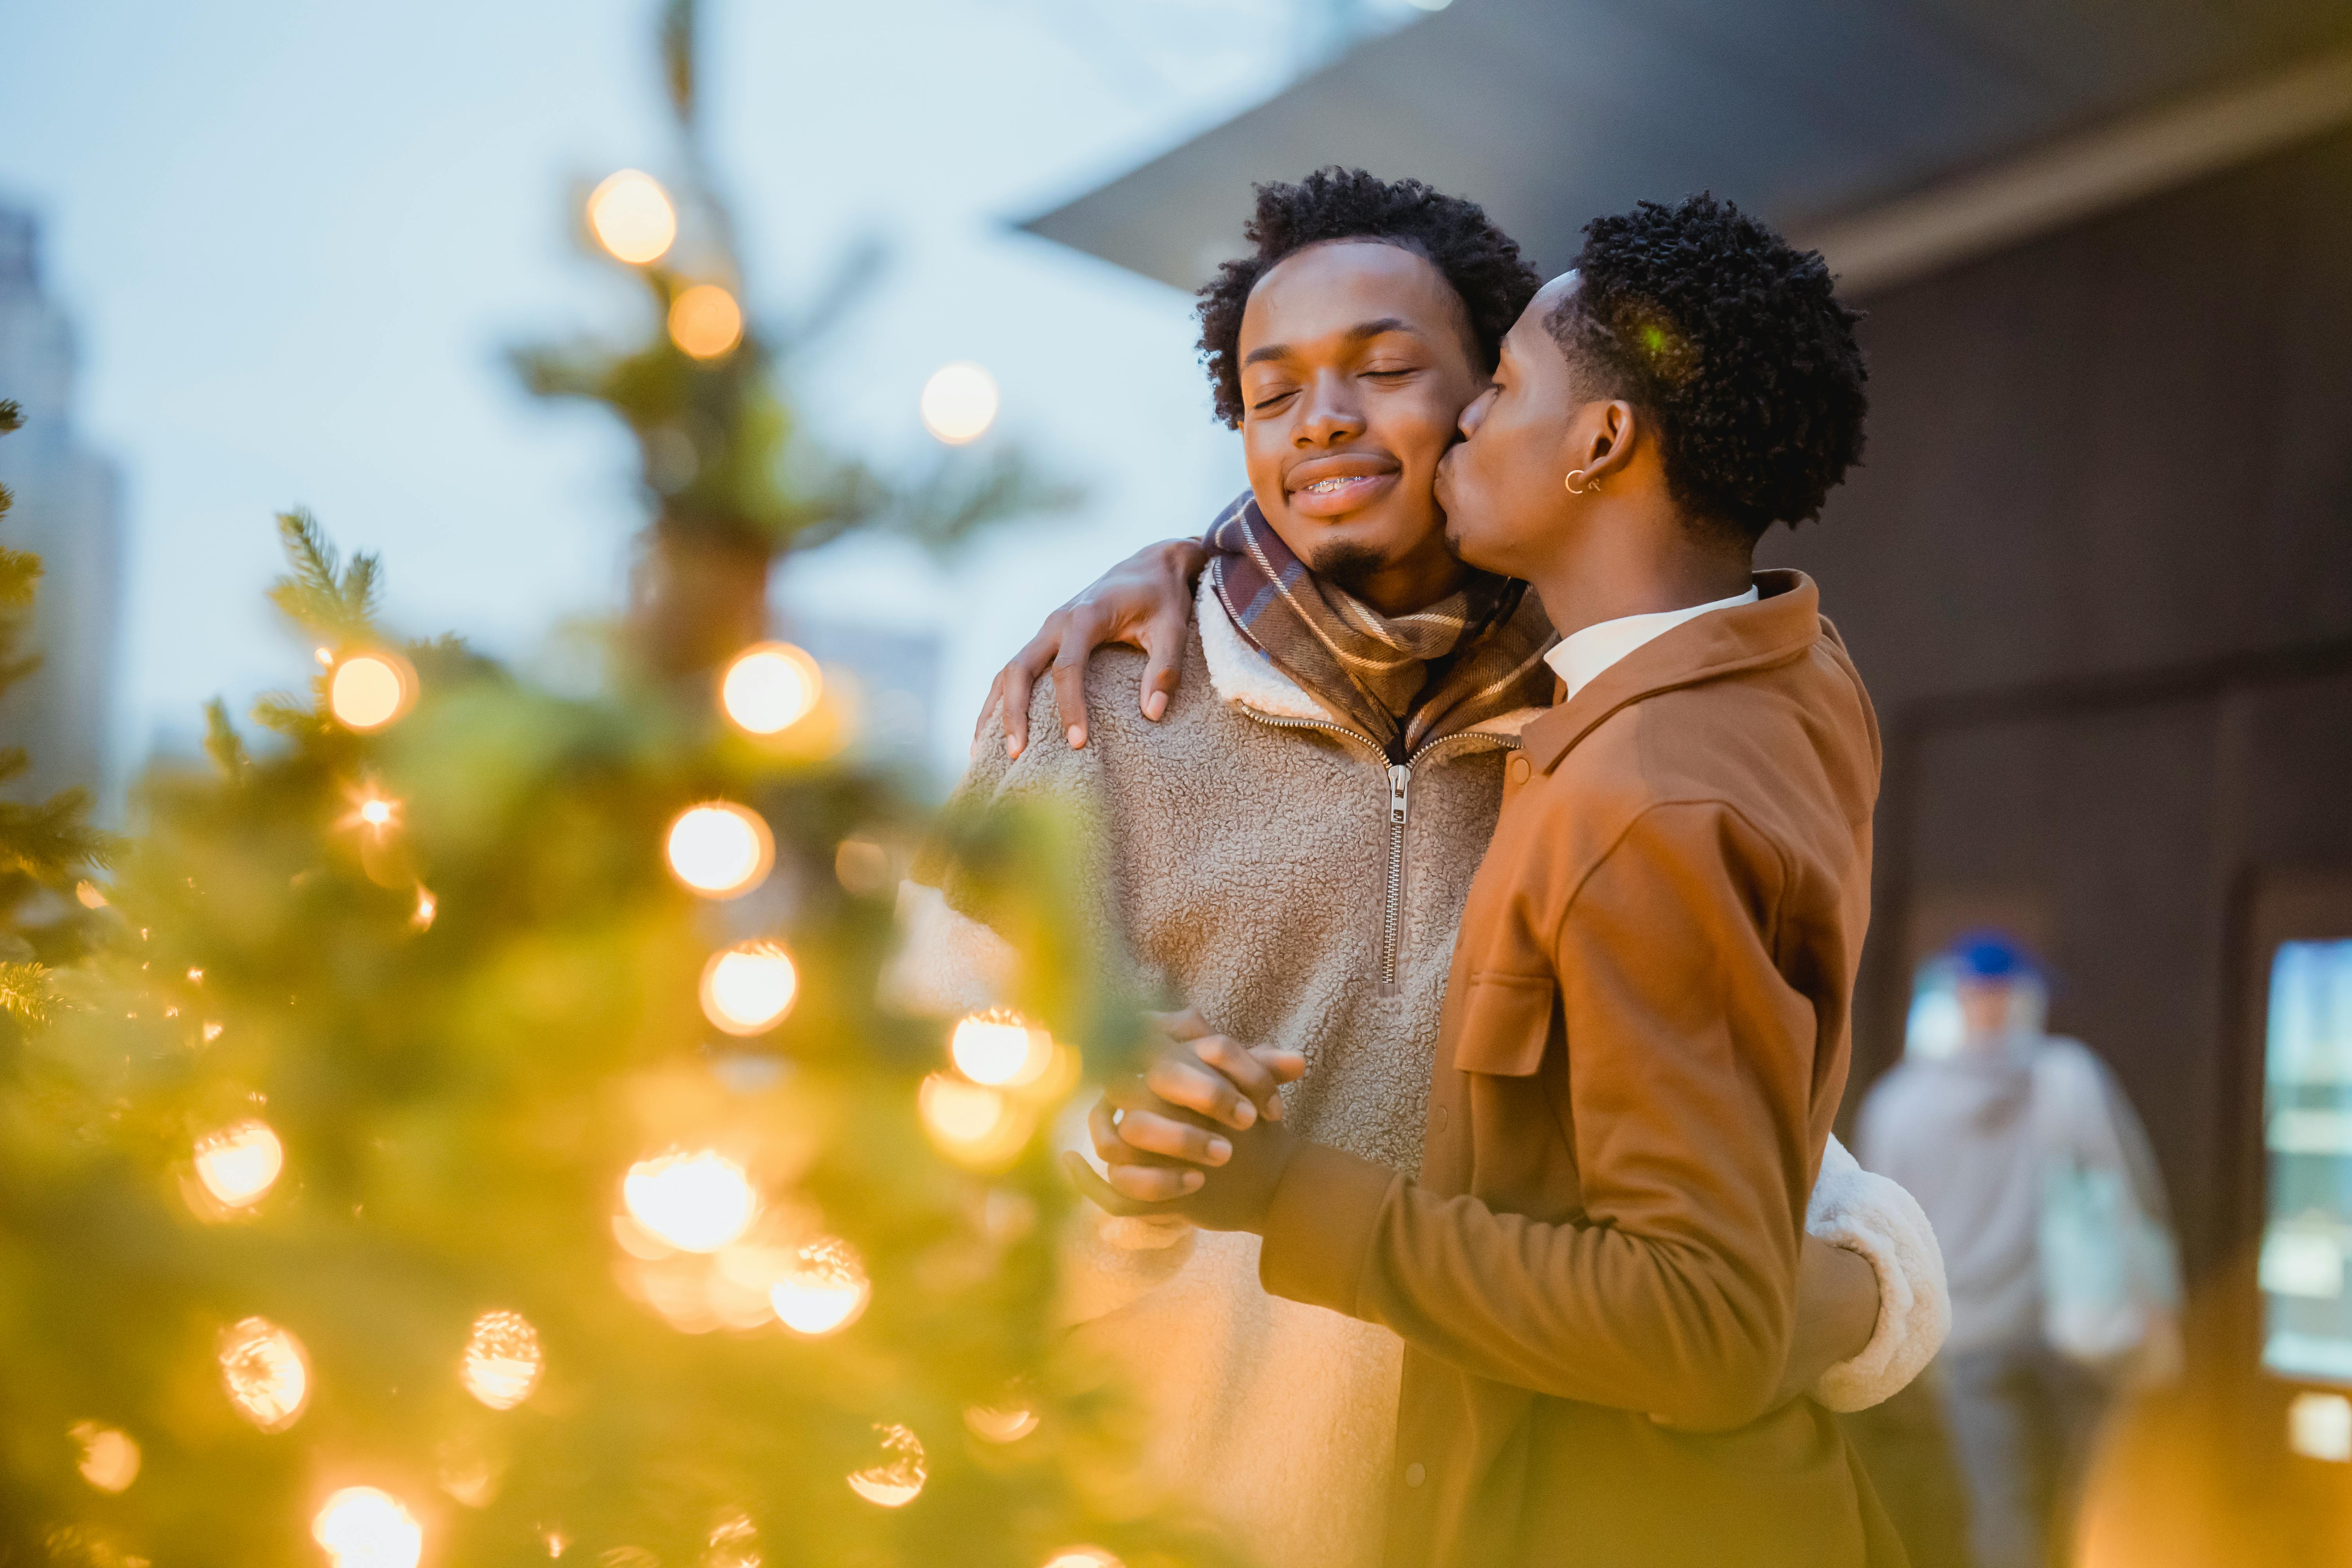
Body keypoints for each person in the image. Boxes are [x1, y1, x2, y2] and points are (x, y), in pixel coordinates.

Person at [906, 171, 1946, 1566]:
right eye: (1271, 397)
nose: (1322, 418)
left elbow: (1716, 1125)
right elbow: (902, 1072)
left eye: (1388, 370)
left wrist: (1868, 1279)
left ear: (1489, 402)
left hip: (1483, 1514)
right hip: (1154, 1510)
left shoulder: (1608, 726)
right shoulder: (1084, 708)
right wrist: (1093, 1109)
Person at [1859, 934, 2181, 1568]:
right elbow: (2126, 1196)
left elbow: (1879, 1236)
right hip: (2074, 1333)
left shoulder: (1897, 1107)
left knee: (2001, 1513)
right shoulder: (2068, 1079)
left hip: (1964, 1340)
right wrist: (2156, 1309)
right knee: (2081, 1506)